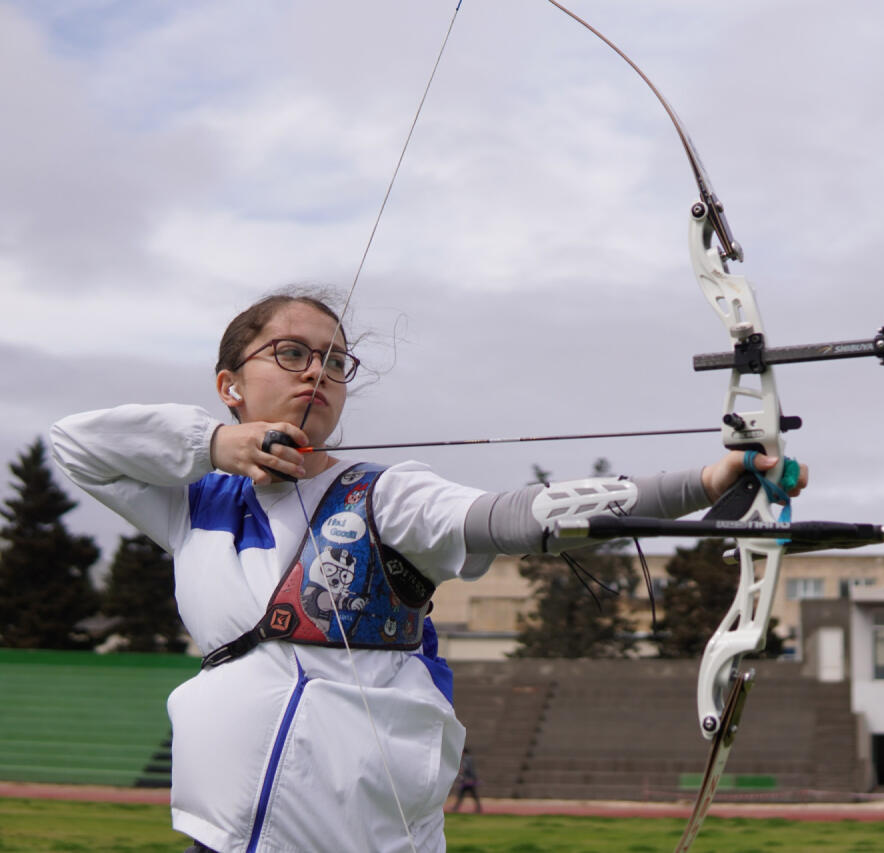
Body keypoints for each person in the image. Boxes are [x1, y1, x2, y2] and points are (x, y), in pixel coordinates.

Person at [49, 290, 807, 853]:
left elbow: (517, 515)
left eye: (335, 361)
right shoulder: (195, 506)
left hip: (358, 835)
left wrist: (704, 482)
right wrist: (216, 445)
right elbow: (74, 444)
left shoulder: (383, 495)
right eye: (292, 352)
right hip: (220, 832)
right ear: (229, 384)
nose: (318, 371)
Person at [452, 747, 481, 813]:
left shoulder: (467, 759)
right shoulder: (468, 758)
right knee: (469, 795)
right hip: (467, 780)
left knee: (465, 795)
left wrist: (471, 778)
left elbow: (468, 769)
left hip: (468, 781)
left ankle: (455, 808)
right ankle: (478, 808)